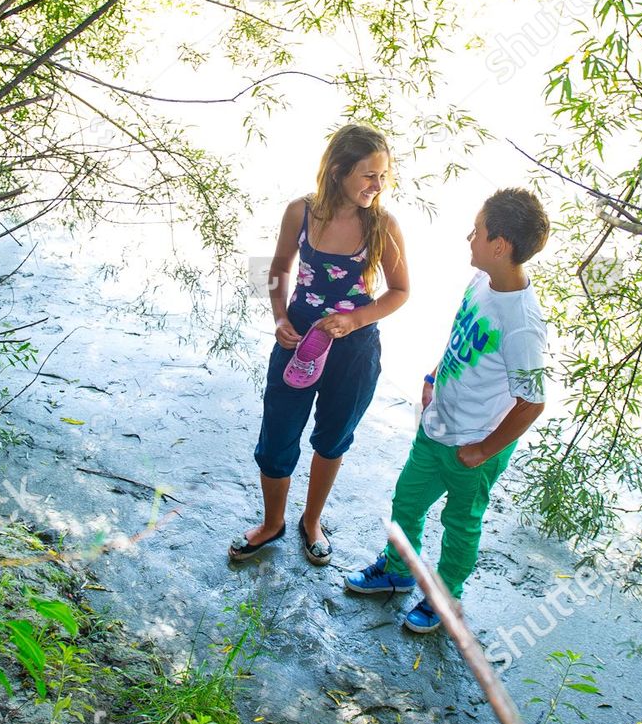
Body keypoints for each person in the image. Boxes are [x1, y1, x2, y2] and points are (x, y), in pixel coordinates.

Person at [344, 188, 549, 632]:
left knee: (460, 523)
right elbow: (461, 333)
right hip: (436, 427)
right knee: (407, 502)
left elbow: (533, 401)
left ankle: (444, 595)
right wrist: (435, 375)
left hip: (474, 447)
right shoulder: (482, 281)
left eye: (476, 231)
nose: (468, 238)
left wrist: (483, 450)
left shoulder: (523, 325)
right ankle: (398, 571)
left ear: (500, 245)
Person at [229, 124, 410, 565]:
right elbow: (275, 269)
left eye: (383, 176)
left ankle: (312, 521)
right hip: (298, 339)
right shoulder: (300, 212)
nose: (377, 185)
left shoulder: (382, 225)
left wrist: (354, 320)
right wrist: (279, 318)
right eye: (368, 174)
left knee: (332, 438)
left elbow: (400, 291)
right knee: (277, 437)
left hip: (355, 349)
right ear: (337, 171)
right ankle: (273, 524)